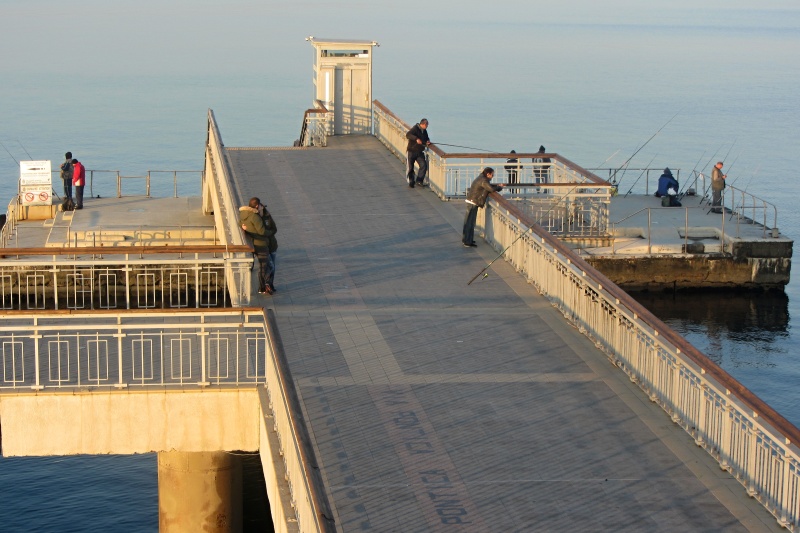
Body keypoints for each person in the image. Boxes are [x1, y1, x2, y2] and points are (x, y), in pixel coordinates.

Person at [239, 197, 274, 294]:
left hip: (252, 243)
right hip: (261, 244)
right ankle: (263, 287)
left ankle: (264, 286)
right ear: (257, 206)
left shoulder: (243, 214)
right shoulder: (255, 216)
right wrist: (270, 233)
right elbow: (261, 231)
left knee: (264, 266)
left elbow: (239, 223)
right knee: (266, 266)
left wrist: (243, 227)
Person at [462, 167, 503, 247]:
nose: (493, 176)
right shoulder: (483, 180)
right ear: (488, 174)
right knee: (470, 222)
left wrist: (496, 185)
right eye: (492, 175)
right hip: (473, 202)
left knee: (469, 222)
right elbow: (490, 189)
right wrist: (499, 187)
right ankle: (467, 241)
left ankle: (467, 239)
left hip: (472, 201)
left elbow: (488, 186)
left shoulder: (482, 178)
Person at [405, 118, 431, 188]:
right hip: (411, 151)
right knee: (410, 167)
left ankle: (419, 181)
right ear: (423, 124)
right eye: (427, 125)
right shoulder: (415, 128)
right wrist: (416, 139)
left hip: (419, 152)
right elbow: (408, 135)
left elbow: (426, 138)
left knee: (423, 165)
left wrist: (428, 141)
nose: (427, 126)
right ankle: (411, 181)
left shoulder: (424, 131)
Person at [260, 201, 278, 293]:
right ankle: (265, 284)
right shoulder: (255, 218)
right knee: (268, 266)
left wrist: (268, 234)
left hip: (272, 245)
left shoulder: (267, 217)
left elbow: (274, 229)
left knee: (272, 266)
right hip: (262, 247)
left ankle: (270, 284)